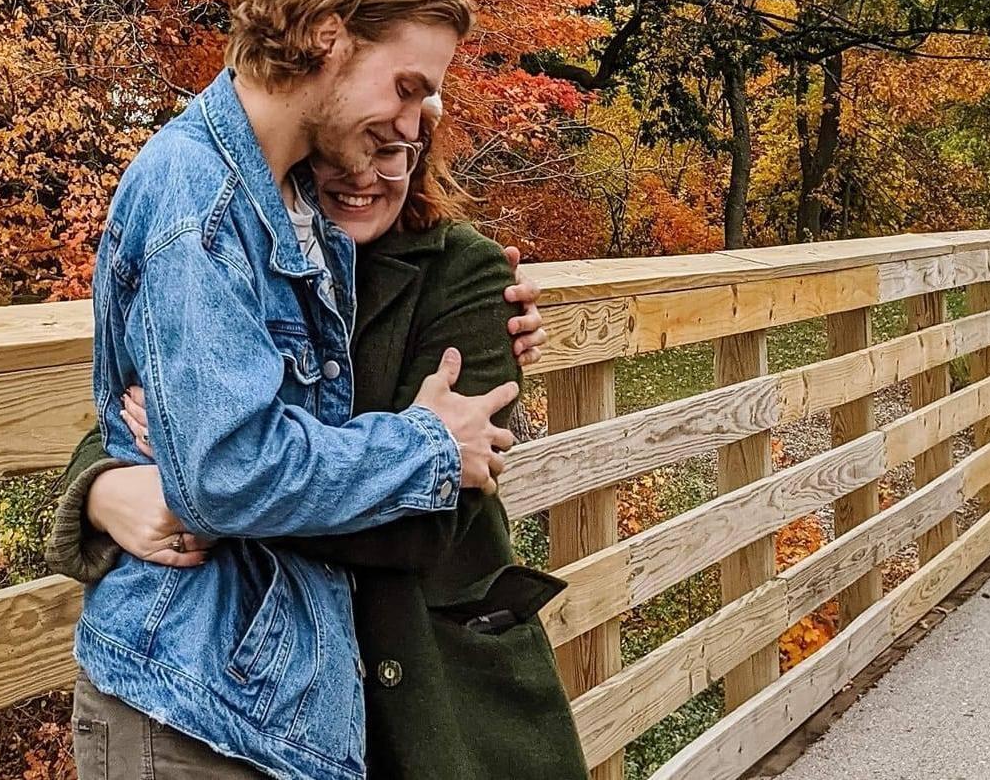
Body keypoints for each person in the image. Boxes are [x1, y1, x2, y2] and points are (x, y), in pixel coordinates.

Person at [66, 0, 523, 780]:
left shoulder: (283, 202)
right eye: (408, 84)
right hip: (195, 706)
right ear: (327, 38)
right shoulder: (196, 199)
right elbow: (230, 469)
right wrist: (428, 443)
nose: (417, 119)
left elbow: (233, 456)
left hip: (275, 698)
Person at [50, 120, 591, 780]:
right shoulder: (250, 258)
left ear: (420, 158)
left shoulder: (468, 274)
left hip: (432, 687)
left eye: (390, 152)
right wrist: (105, 492)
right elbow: (135, 418)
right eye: (339, 151)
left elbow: (426, 520)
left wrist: (212, 485)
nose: (362, 173)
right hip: (273, 687)